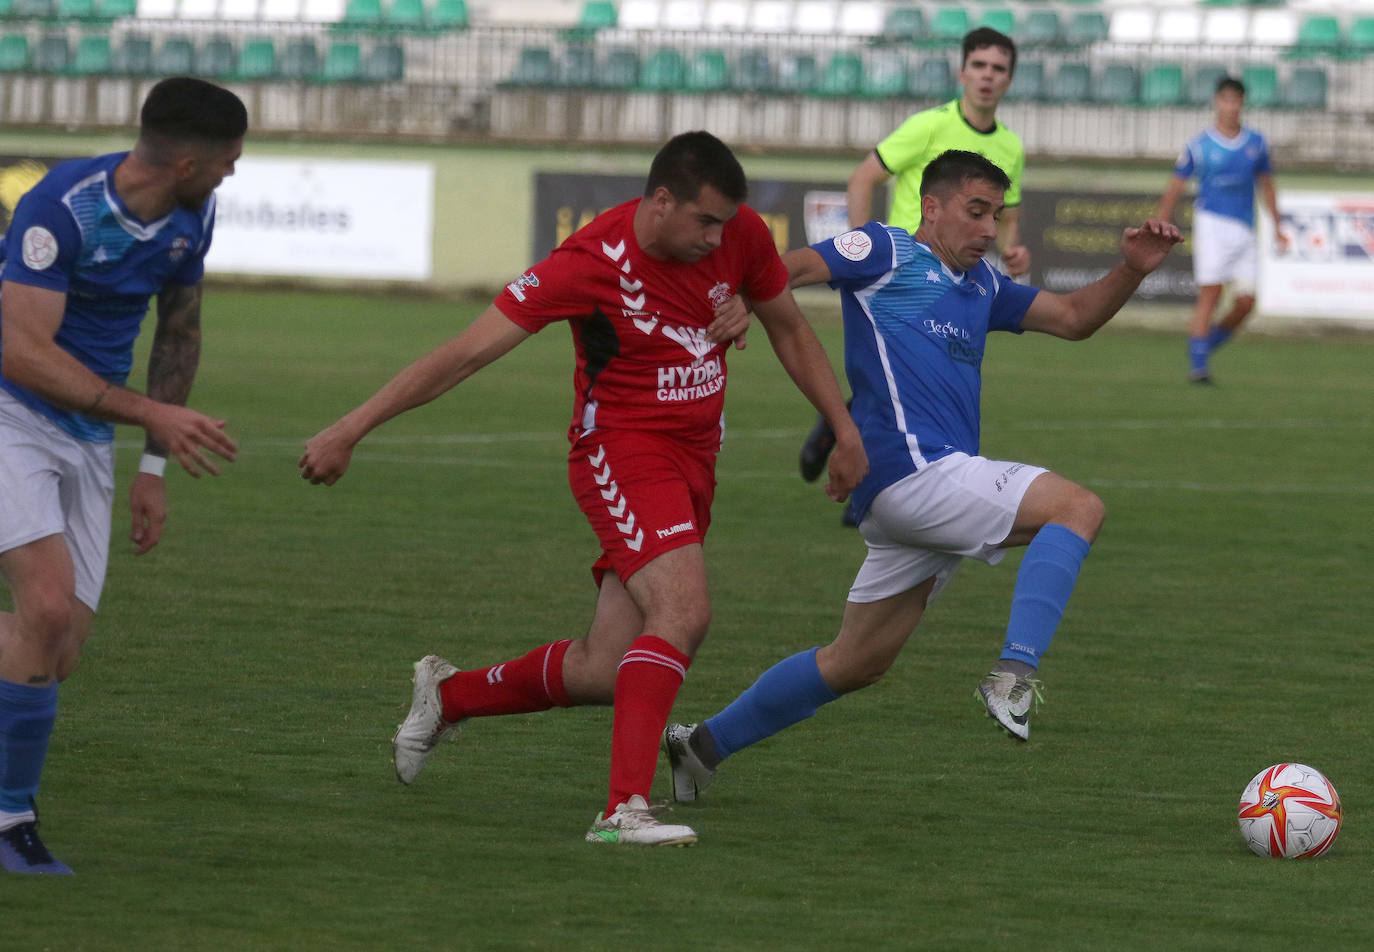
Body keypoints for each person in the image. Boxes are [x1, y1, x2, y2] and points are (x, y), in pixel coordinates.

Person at [298, 131, 866, 847]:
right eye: (704, 222)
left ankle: (449, 695)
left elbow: (788, 328)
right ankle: (623, 809)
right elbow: (463, 354)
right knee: (683, 613)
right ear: (661, 201)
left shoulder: (739, 233)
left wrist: (843, 429)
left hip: (694, 461)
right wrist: (351, 428)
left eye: (725, 224)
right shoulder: (589, 263)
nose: (719, 238)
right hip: (621, 452)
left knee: (607, 667)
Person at [662, 151, 1181, 806]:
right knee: (1077, 508)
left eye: (996, 213)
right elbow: (789, 269)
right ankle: (1013, 675)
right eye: (975, 211)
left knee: (857, 661)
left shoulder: (982, 287)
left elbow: (1074, 318)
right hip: (913, 472)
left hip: (921, 494)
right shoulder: (884, 251)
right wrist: (740, 297)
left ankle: (702, 745)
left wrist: (1132, 269)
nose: (990, 228)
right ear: (930, 208)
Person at [0, 77, 245, 874]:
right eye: (228, 162)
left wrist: (153, 466)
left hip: (91, 436)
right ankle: (12, 821)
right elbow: (22, 352)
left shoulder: (193, 214)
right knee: (40, 608)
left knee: (59, 646)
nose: (232, 176)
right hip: (12, 414)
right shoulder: (60, 206)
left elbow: (180, 331)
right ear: (185, 162)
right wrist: (150, 415)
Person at [801, 27, 1029, 511]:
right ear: (962, 71)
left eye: (999, 69)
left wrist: (1013, 249)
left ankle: (852, 448)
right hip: (903, 278)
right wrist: (861, 250)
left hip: (957, 281)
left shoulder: (1011, 145)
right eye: (980, 66)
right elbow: (865, 175)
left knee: (909, 390)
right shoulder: (928, 126)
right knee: (896, 386)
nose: (988, 77)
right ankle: (870, 473)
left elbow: (1007, 212)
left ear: (1010, 80)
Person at [1156, 76, 1287, 384]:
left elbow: (1267, 185)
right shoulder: (1199, 145)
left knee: (1246, 303)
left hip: (1245, 228)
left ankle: (1203, 345)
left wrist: (1279, 225)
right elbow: (1176, 185)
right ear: (1217, 102)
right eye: (1225, 100)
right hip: (1212, 224)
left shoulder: (1255, 143)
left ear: (1242, 103)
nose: (1230, 107)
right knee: (1211, 294)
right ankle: (1198, 366)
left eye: (1235, 100)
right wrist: (1162, 220)